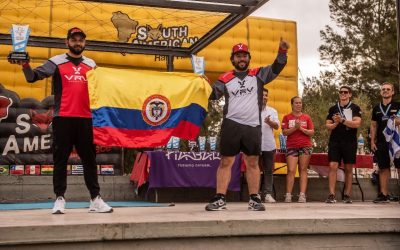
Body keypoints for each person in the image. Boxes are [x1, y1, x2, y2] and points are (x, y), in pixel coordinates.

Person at [9, 27, 113, 214]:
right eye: (74, 39)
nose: (77, 43)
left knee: (89, 160)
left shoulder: (91, 64)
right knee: (60, 160)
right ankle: (59, 199)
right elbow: (33, 77)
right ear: (67, 42)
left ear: (85, 43)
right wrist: (25, 64)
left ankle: (95, 199)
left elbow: (104, 88)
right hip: (63, 118)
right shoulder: (56, 61)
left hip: (86, 119)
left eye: (81, 40)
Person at [205, 39, 289, 211]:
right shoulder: (225, 78)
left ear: (248, 58)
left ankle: (254, 199)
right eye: (238, 56)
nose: (241, 58)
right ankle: (220, 198)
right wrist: (203, 83)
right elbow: (213, 95)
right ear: (232, 59)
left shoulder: (257, 74)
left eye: (244, 55)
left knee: (252, 162)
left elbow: (276, 68)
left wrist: (282, 52)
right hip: (231, 124)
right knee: (226, 161)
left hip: (252, 126)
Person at [325, 86, 362, 204]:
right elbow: (327, 126)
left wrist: (342, 120)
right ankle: (331, 194)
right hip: (335, 141)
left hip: (349, 142)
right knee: (332, 166)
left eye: (345, 92)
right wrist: (336, 123)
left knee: (348, 168)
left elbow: (357, 124)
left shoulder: (355, 107)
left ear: (350, 94)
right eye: (341, 92)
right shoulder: (333, 108)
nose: (343, 94)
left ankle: (347, 195)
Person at [370, 82, 400, 203]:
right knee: (383, 168)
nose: (385, 91)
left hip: (396, 142)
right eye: (383, 89)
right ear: (380, 92)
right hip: (382, 142)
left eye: (388, 89)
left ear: (392, 92)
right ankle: (383, 194)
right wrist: (372, 141)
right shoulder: (376, 108)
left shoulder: (398, 106)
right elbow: (373, 125)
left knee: (399, 167)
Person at [281, 96, 314, 203]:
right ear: (292, 104)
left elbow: (311, 132)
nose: (299, 105)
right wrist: (295, 128)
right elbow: (284, 132)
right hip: (291, 146)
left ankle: (302, 195)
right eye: (296, 103)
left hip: (305, 146)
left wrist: (300, 128)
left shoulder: (307, 117)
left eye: (300, 103)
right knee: (291, 170)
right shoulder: (286, 117)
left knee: (303, 169)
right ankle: (288, 195)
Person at [260, 87, 280, 203]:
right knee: (254, 170)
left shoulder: (272, 111)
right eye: (262, 95)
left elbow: (277, 126)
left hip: (269, 145)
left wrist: (269, 122)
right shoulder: (251, 110)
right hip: (254, 144)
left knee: (268, 170)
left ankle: (267, 194)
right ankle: (255, 194)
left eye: (266, 95)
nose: (264, 97)